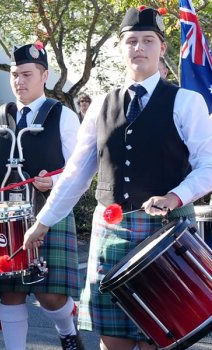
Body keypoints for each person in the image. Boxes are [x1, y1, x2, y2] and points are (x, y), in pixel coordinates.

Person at [23, 7, 212, 350]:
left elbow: (209, 166)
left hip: (165, 230)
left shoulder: (187, 102)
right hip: (111, 229)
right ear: (121, 48)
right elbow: (78, 172)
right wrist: (43, 221)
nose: (139, 48)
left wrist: (176, 197)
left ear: (162, 48)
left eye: (148, 41)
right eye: (132, 41)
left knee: (162, 338)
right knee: (112, 341)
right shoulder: (100, 105)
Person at [0, 42, 83, 350]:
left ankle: (67, 332)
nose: (20, 81)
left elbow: (79, 169)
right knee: (11, 291)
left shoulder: (64, 116)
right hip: (4, 219)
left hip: (49, 212)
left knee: (49, 294)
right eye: (15, 75)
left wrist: (55, 180)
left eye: (27, 74)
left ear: (44, 75)